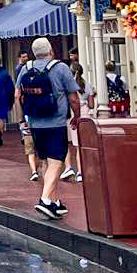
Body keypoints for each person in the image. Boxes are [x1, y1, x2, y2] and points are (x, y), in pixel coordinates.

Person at [19, 37, 81, 218]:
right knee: (57, 161)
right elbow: (73, 98)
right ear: (51, 50)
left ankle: (54, 203)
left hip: (35, 122)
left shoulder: (26, 68)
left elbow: (18, 95)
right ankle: (45, 199)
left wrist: (23, 119)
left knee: (45, 161)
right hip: (55, 122)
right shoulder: (60, 68)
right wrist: (77, 115)